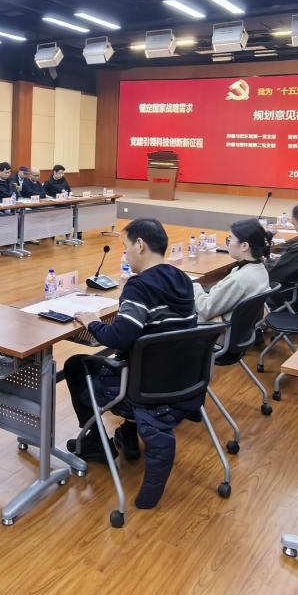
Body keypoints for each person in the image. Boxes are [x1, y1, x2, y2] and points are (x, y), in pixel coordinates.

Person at [67, 218, 198, 509]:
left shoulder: (140, 286)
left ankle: (96, 445)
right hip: (182, 379)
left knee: (77, 365)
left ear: (140, 245)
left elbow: (120, 337)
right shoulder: (182, 279)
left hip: (145, 385)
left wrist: (93, 322)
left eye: (125, 247)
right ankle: (126, 435)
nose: (124, 254)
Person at [193, 218, 274, 323]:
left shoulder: (241, 279)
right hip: (240, 328)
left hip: (215, 329)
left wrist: (194, 286)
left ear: (244, 246)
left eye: (230, 239)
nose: (227, 243)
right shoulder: (260, 269)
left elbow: (206, 309)